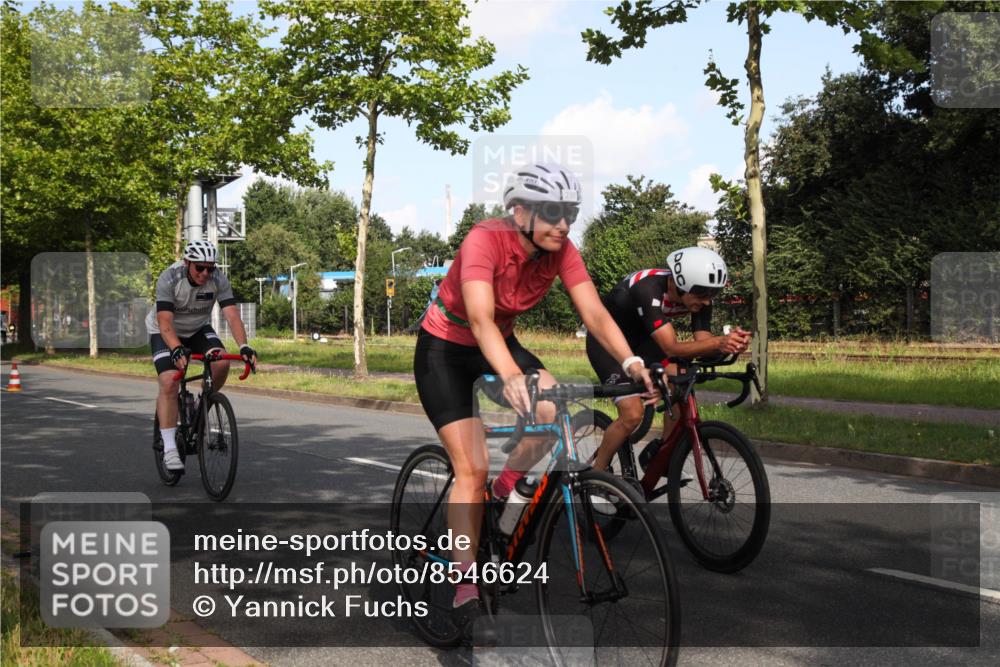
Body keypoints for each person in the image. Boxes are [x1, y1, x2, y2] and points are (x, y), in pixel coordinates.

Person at [413, 163, 657, 640]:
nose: (564, 225)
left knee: (551, 410)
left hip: (500, 341)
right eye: (552, 213)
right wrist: (509, 377)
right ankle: (463, 587)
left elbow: (593, 312)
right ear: (519, 212)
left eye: (569, 213)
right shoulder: (484, 239)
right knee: (471, 469)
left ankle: (504, 492)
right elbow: (480, 319)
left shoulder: (562, 251)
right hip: (445, 349)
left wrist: (630, 363)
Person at [585, 246, 751, 472]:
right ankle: (597, 474)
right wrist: (718, 343)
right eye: (702, 294)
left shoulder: (701, 297)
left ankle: (660, 456)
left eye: (713, 294)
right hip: (607, 344)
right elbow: (671, 347)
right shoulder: (648, 288)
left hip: (643, 340)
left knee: (681, 382)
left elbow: (704, 342)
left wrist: (729, 345)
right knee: (632, 414)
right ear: (681, 283)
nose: (706, 301)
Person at [145, 240, 257, 472]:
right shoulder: (169, 278)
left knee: (222, 361)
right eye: (200, 268)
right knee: (169, 381)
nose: (206, 273)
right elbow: (165, 322)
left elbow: (232, 315)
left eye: (210, 268)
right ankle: (169, 448)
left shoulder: (218, 279)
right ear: (187, 263)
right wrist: (176, 348)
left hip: (197, 329)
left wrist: (244, 346)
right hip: (165, 331)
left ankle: (199, 407)